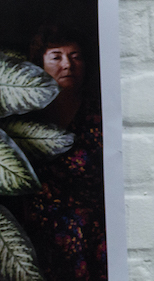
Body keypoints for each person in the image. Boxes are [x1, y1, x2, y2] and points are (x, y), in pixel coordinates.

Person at [16, 24, 108, 280]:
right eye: (56, 57)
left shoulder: (101, 115)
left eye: (75, 57)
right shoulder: (23, 118)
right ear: (39, 64)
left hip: (93, 233)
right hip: (39, 236)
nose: (67, 65)